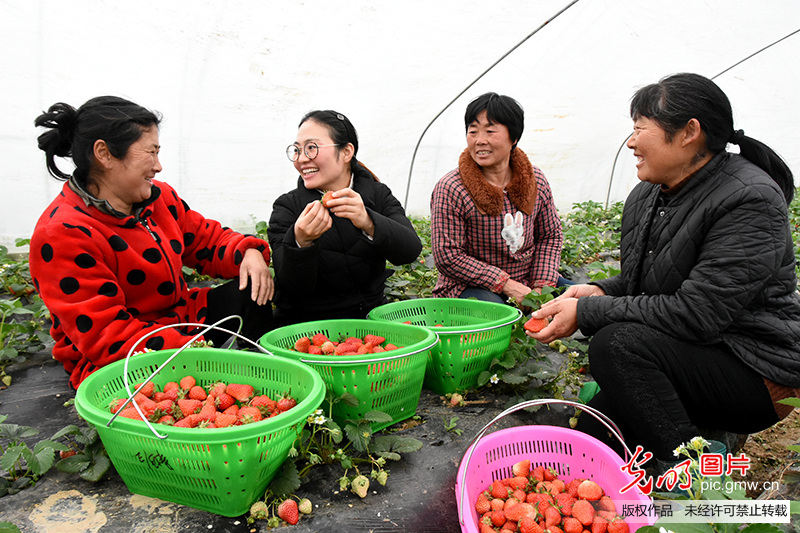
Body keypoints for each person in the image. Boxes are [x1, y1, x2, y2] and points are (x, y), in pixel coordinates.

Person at [528, 73, 800, 464]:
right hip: (693, 355)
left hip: (755, 372)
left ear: (689, 132)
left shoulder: (749, 199)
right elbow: (650, 281)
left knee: (616, 345)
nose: (631, 142)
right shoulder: (647, 195)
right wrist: (602, 291)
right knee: (591, 437)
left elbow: (697, 313)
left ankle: (693, 477)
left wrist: (587, 313)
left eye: (640, 128)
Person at [30, 96, 274, 389]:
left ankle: (259, 376)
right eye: (151, 152)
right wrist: (199, 354)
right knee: (181, 393)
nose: (158, 166)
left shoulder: (158, 198)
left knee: (251, 290)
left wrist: (248, 251)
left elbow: (207, 240)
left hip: (182, 322)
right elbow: (108, 337)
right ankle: (232, 381)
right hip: (122, 358)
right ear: (104, 154)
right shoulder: (63, 232)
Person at [267, 110, 421, 326]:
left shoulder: (377, 194)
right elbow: (292, 289)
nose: (301, 159)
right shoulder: (288, 207)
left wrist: (369, 222)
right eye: (297, 150)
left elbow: (410, 250)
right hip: (308, 330)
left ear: (347, 152)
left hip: (370, 323)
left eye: (311, 148)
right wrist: (300, 243)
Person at [430, 92, 564, 305]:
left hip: (526, 278)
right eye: (473, 131)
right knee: (498, 314)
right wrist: (506, 284)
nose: (480, 141)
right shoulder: (451, 188)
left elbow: (550, 235)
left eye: (490, 131)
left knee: (580, 299)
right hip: (469, 286)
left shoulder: (535, 179)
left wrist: (541, 285)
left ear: (514, 138)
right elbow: (449, 256)